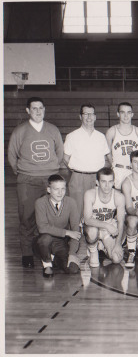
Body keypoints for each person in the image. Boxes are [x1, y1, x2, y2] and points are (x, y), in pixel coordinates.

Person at [8, 97, 64, 268]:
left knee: (53, 217)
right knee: (27, 217)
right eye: (34, 109)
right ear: (28, 111)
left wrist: (51, 171)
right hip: (28, 179)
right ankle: (27, 253)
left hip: (50, 178)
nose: (38, 112)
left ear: (44, 109)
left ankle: (52, 250)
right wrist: (25, 171)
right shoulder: (20, 131)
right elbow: (12, 155)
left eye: (41, 108)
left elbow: (60, 152)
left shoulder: (53, 130)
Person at [64, 104, 111, 220]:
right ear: (80, 116)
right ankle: (76, 236)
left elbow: (107, 158)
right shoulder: (72, 136)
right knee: (77, 209)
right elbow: (65, 158)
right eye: (85, 114)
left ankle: (94, 236)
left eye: (91, 114)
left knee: (96, 208)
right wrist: (77, 171)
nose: (89, 117)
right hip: (78, 177)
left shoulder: (101, 137)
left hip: (96, 178)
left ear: (95, 117)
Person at [34, 174, 81, 277]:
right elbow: (42, 228)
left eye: (63, 189)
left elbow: (76, 232)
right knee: (45, 239)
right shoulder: (40, 203)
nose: (60, 193)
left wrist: (72, 253)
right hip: (44, 240)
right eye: (56, 189)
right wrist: (67, 232)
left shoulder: (71, 202)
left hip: (60, 242)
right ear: (49, 190)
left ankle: (55, 259)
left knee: (73, 269)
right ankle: (47, 264)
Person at [83, 167, 126, 267]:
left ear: (114, 182)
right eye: (103, 182)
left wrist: (118, 244)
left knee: (116, 258)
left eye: (110, 181)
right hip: (94, 227)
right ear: (97, 182)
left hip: (108, 230)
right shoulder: (90, 194)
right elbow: (88, 219)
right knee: (93, 231)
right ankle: (93, 250)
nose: (107, 186)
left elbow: (120, 222)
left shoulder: (119, 197)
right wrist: (106, 225)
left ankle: (101, 246)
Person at [105, 102, 138, 189]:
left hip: (134, 170)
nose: (126, 116)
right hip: (118, 170)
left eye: (128, 112)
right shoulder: (111, 131)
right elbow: (108, 153)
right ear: (118, 114)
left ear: (132, 114)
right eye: (122, 112)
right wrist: (114, 166)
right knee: (119, 199)